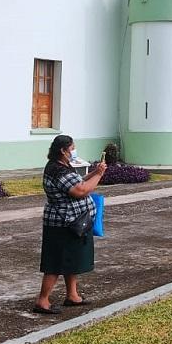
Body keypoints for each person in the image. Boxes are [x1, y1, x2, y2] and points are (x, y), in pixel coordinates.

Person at [33, 135, 107, 314]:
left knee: (71, 259)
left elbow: (79, 181)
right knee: (56, 262)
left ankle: (72, 295)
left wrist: (94, 172)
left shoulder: (62, 166)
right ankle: (42, 300)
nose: (74, 151)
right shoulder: (58, 170)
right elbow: (80, 190)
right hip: (63, 223)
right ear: (63, 150)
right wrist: (98, 175)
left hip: (72, 222)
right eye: (72, 148)